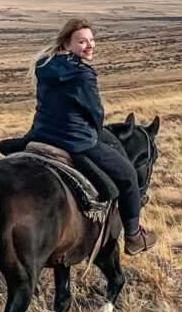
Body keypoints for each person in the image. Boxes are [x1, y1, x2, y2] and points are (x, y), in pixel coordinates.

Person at [24, 18, 157, 255]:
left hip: (42, 132)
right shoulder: (82, 73)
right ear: (66, 44)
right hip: (74, 139)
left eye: (92, 40)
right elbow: (95, 113)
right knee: (127, 176)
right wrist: (93, 130)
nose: (90, 46)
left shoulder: (45, 65)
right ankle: (134, 237)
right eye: (82, 41)